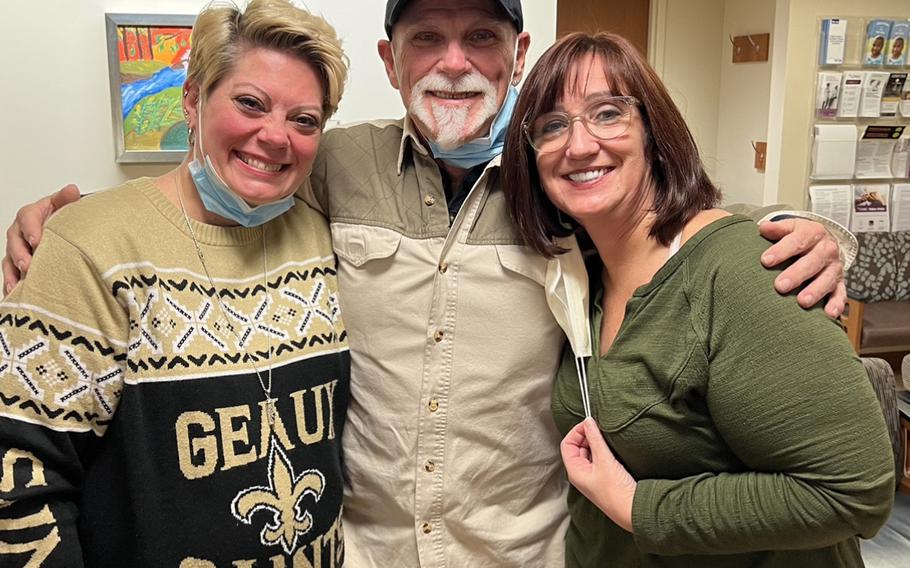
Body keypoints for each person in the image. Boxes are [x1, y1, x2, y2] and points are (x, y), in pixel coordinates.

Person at [2, 1, 850, 565]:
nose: (454, 63)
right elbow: (225, 181)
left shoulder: (563, 171)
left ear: (518, 53)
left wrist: (817, 231)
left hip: (525, 551)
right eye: (425, 40)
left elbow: (670, 222)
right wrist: (67, 216)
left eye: (481, 36)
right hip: (363, 553)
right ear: (391, 58)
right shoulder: (332, 162)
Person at [501, 31, 894, 567]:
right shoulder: (582, 273)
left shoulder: (740, 270)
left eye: (608, 113)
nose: (578, 144)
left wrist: (639, 507)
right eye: (551, 125)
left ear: (653, 134)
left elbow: (851, 490)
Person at [0, 1, 349, 565]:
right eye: (249, 103)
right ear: (192, 100)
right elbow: (20, 477)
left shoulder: (322, 233)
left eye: (304, 120)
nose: (276, 136)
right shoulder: (90, 244)